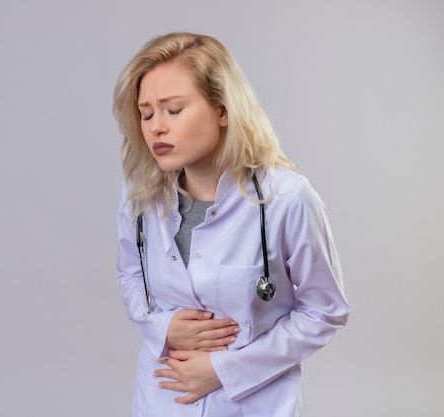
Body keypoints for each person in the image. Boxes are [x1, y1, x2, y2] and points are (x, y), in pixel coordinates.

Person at [113, 32, 350, 417]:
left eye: (173, 110)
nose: (156, 127)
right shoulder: (141, 195)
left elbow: (324, 311)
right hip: (161, 398)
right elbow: (129, 276)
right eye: (146, 113)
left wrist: (225, 370)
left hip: (252, 402)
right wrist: (162, 328)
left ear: (222, 109)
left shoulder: (286, 199)